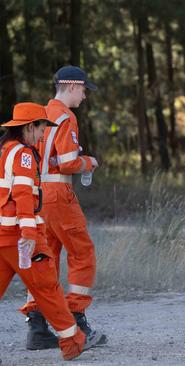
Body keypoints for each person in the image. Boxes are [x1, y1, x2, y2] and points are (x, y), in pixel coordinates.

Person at [0, 102, 101, 360]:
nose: (43, 134)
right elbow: (23, 195)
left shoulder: (5, 151)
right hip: (19, 236)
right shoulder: (23, 154)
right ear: (29, 127)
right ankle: (73, 341)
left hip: (3, 235)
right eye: (42, 128)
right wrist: (30, 235)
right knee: (48, 289)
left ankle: (53, 333)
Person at [20, 66, 106, 349]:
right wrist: (89, 162)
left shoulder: (40, 116)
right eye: (83, 90)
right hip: (58, 193)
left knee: (45, 258)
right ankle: (76, 320)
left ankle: (38, 328)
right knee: (82, 252)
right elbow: (69, 161)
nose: (84, 96)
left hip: (37, 194)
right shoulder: (66, 116)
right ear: (71, 87)